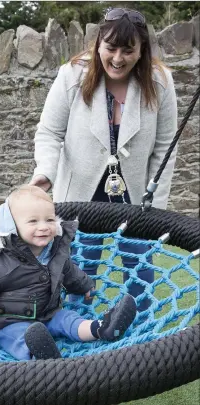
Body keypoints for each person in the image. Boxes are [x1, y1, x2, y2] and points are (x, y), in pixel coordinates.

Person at [30, 8, 178, 311]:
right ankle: (78, 342)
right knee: (78, 274)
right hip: (82, 195)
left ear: (142, 51)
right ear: (98, 45)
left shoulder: (161, 81)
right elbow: (49, 132)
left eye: (128, 50)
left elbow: (165, 147)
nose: (118, 58)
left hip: (137, 198)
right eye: (111, 48)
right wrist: (46, 170)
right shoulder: (72, 75)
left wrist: (156, 204)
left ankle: (141, 342)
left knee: (141, 276)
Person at [0, 185, 136, 361]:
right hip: (8, 321)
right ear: (11, 226)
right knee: (17, 338)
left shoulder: (53, 247)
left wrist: (85, 285)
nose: (44, 227)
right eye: (33, 221)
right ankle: (37, 354)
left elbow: (69, 271)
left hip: (48, 312)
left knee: (68, 319)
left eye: (49, 220)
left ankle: (101, 328)